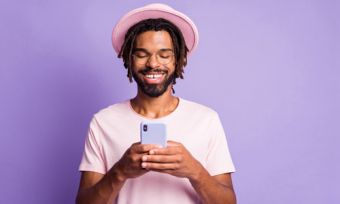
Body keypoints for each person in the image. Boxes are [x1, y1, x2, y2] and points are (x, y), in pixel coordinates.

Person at [76, 3, 236, 204]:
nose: (153, 63)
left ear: (177, 61)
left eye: (164, 55)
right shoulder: (103, 122)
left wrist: (195, 171)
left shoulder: (206, 120)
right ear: (129, 59)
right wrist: (120, 171)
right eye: (142, 54)